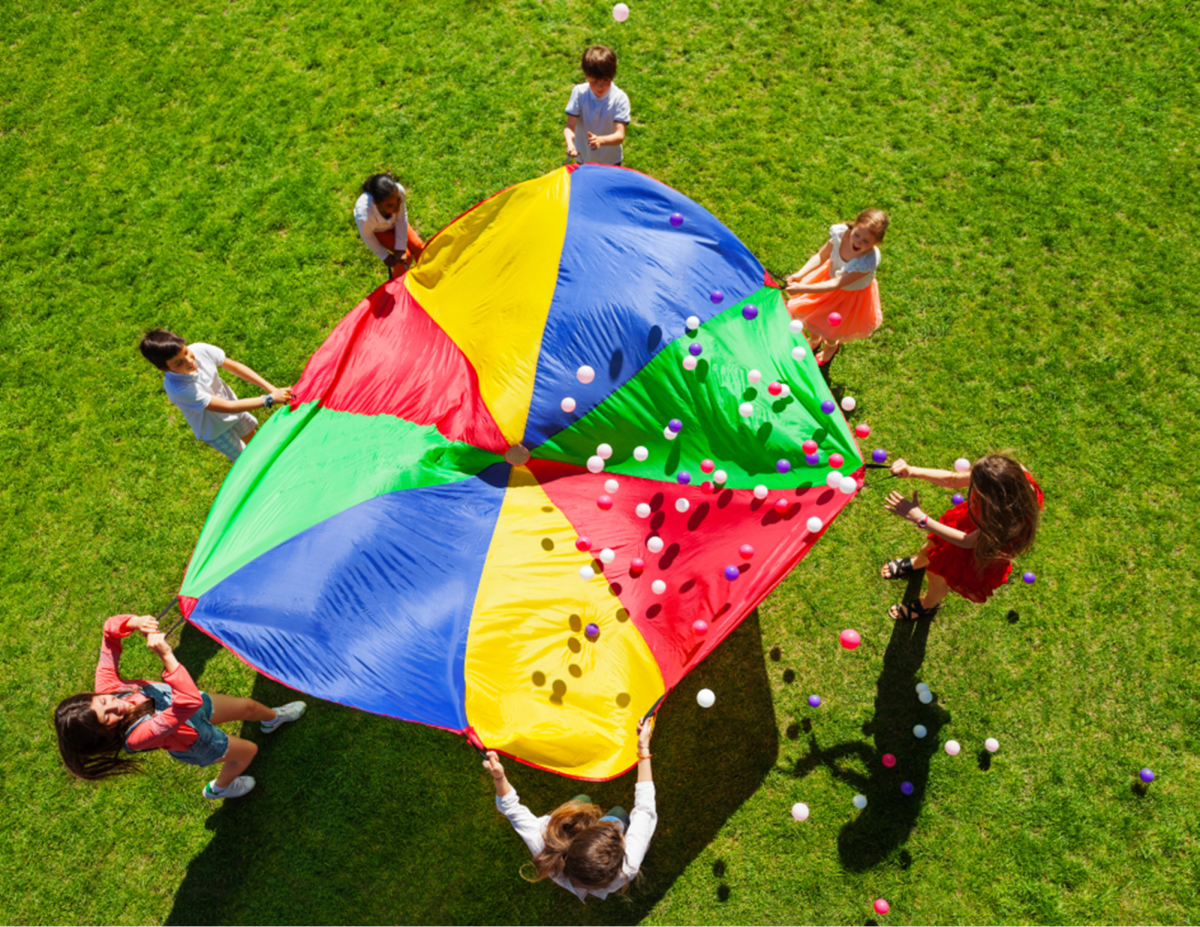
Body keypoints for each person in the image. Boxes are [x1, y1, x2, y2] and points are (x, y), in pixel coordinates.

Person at [54, 613, 306, 799]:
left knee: (248, 707)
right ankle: (220, 788)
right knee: (249, 750)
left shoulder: (107, 685)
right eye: (106, 717)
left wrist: (135, 622)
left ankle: (272, 718)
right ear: (103, 733)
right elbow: (187, 701)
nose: (114, 706)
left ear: (94, 695)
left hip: (194, 710)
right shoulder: (138, 737)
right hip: (198, 741)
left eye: (103, 701)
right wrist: (166, 655)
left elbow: (109, 631)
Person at [484, 719, 656, 902]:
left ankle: (592, 816)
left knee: (582, 801)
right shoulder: (628, 864)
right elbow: (645, 809)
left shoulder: (543, 843)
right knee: (619, 813)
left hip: (565, 832)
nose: (621, 834)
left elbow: (511, 808)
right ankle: (645, 842)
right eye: (622, 837)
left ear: (583, 834)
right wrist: (643, 747)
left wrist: (499, 777)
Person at [880, 454, 1043, 620]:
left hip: (977, 550)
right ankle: (917, 563)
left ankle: (928, 604)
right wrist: (912, 471)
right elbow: (953, 480)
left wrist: (922, 519)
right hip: (968, 526)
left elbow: (968, 541)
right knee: (928, 550)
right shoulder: (1006, 474)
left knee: (937, 576)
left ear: (993, 501)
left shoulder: (1008, 521)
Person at [139, 329, 291, 462]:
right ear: (164, 369)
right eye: (178, 362)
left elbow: (236, 367)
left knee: (255, 440)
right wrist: (269, 399)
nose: (189, 360)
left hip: (237, 410)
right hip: (216, 430)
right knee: (246, 459)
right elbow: (228, 407)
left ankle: (275, 461)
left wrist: (272, 389)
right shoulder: (178, 389)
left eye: (185, 352)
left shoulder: (199, 350)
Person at [785, 209, 890, 365]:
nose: (858, 242)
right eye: (857, 235)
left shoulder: (868, 261)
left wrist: (802, 288)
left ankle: (831, 346)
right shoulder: (840, 233)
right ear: (853, 227)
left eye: (866, 241)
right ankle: (814, 339)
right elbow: (821, 255)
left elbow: (836, 284)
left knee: (833, 329)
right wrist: (800, 275)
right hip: (825, 280)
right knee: (812, 317)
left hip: (848, 296)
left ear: (876, 243)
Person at [563, 45, 630, 166]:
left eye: (605, 82)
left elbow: (619, 135)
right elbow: (569, 127)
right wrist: (570, 144)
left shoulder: (620, 98)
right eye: (594, 82)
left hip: (611, 161)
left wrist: (600, 140)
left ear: (612, 76)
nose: (600, 87)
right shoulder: (579, 93)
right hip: (583, 158)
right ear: (586, 76)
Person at [354, 172, 425, 279]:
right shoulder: (364, 213)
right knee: (406, 257)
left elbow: (401, 218)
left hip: (397, 223)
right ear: (376, 203)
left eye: (398, 201)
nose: (396, 208)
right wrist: (384, 256)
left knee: (419, 246)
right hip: (379, 231)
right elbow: (367, 235)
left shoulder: (398, 191)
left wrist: (400, 247)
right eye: (390, 205)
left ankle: (425, 274)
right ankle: (396, 283)